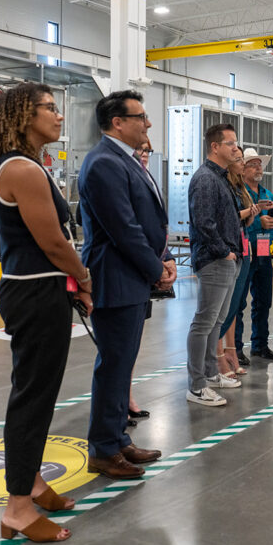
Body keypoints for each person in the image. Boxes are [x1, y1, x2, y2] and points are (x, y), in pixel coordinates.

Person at [0, 83, 92, 543]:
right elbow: (53, 242)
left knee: (41, 394)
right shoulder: (23, 170)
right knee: (31, 398)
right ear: (25, 115)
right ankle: (17, 509)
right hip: (34, 293)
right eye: (50, 108)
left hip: (37, 290)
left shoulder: (25, 165)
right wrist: (85, 279)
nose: (59, 116)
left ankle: (31, 481)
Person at [79, 90, 171, 479]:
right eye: (141, 116)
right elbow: (123, 228)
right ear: (117, 122)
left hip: (131, 277)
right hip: (116, 277)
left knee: (123, 364)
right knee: (114, 365)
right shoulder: (103, 162)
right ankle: (103, 448)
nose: (147, 123)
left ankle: (117, 439)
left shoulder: (123, 160)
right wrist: (156, 268)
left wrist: (159, 261)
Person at [186, 123, 243, 406]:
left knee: (216, 322)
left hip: (226, 259)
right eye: (230, 143)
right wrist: (225, 252)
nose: (236, 148)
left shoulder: (221, 178)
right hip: (215, 261)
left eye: (236, 143)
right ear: (215, 147)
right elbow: (204, 223)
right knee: (204, 322)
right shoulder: (206, 179)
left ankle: (210, 373)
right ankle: (196, 385)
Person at [216, 146, 260, 378]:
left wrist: (251, 214)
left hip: (243, 248)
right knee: (221, 309)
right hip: (227, 252)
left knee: (234, 306)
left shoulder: (239, 187)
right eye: (240, 159)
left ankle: (229, 350)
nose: (243, 163)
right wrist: (245, 213)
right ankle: (215, 356)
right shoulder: (220, 185)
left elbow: (243, 223)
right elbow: (227, 218)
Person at [241, 147, 273, 360]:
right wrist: (260, 222)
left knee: (263, 300)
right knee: (239, 302)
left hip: (264, 251)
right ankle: (236, 348)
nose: (258, 167)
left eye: (259, 164)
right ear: (243, 169)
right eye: (253, 164)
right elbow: (237, 222)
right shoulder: (240, 193)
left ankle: (260, 344)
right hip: (245, 251)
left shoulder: (267, 194)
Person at [128, 140, 155, 425]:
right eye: (140, 150)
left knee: (134, 342)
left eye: (148, 151)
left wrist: (166, 257)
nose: (144, 156)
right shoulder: (118, 178)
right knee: (119, 348)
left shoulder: (145, 180)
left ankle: (127, 396)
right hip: (126, 273)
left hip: (143, 274)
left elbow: (155, 227)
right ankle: (119, 403)